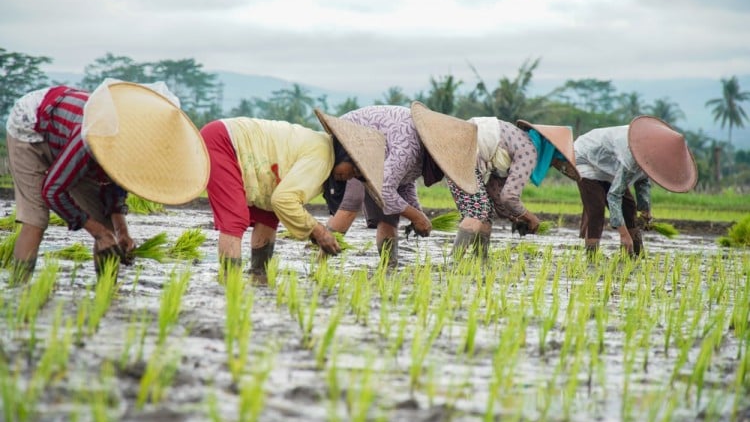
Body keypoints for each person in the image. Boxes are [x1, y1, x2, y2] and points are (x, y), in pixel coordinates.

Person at [5, 79, 210, 283]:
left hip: (68, 140)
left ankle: (107, 290)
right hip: (31, 127)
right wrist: (98, 232)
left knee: (105, 225)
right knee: (36, 219)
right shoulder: (91, 137)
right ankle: (18, 289)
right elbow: (52, 191)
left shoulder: (133, 148)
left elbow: (115, 186)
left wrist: (122, 232)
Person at [198, 115, 384, 282]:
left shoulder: (325, 153)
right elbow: (284, 200)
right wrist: (318, 231)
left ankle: (259, 275)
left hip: (241, 150)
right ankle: (230, 283)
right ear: (345, 155)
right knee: (235, 218)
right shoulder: (322, 158)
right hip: (224, 142)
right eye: (353, 169)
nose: (351, 176)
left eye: (358, 176)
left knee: (268, 216)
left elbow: (277, 202)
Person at [410, 101, 579, 259]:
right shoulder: (529, 152)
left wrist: (515, 217)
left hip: (460, 148)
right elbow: (509, 197)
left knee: (485, 212)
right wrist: (531, 218)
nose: (553, 165)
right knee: (477, 212)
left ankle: (480, 258)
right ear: (551, 152)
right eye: (556, 161)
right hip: (465, 152)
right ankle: (454, 260)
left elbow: (496, 193)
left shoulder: (517, 141)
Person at [315, 105, 478, 267]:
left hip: (379, 158)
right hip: (352, 145)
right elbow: (384, 190)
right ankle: (320, 263)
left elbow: (404, 183)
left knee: (390, 216)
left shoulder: (419, 149)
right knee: (351, 203)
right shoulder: (409, 146)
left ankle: (389, 265)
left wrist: (417, 212)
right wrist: (417, 217)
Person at [573, 115, 698, 257]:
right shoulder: (633, 153)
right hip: (587, 157)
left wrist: (645, 210)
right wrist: (623, 235)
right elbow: (614, 196)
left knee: (629, 206)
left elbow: (643, 181)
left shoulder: (653, 154)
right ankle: (592, 256)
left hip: (609, 164)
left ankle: (636, 253)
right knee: (596, 208)